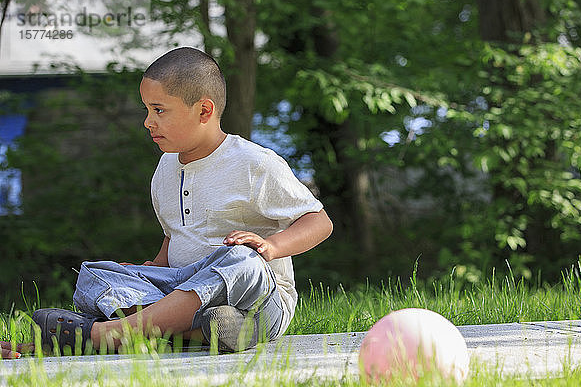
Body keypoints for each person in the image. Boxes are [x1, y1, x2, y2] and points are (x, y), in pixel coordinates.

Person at [1, 47, 332, 358]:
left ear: (204, 110)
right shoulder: (166, 166)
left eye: (158, 110)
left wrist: (271, 247)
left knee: (243, 259)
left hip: (258, 302)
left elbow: (319, 221)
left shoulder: (254, 163)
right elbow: (175, 233)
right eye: (147, 110)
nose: (148, 121)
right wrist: (155, 268)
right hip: (190, 296)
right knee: (95, 274)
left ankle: (113, 333)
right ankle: (194, 332)